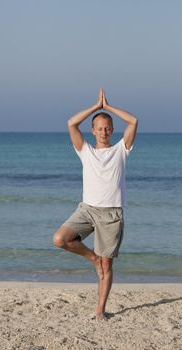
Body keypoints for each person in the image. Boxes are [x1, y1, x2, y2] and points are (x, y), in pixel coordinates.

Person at [52, 88, 138, 320]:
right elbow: (71, 123)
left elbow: (133, 120)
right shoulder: (85, 151)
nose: (103, 132)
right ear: (93, 130)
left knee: (107, 266)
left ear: (112, 130)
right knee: (60, 239)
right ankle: (93, 259)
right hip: (87, 210)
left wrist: (107, 107)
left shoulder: (121, 150)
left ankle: (100, 310)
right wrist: (95, 106)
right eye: (99, 128)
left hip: (111, 215)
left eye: (107, 128)